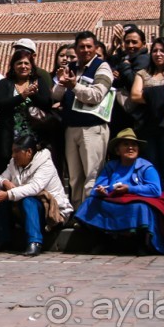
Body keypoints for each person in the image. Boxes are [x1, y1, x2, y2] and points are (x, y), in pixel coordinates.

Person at [74, 129, 164, 255]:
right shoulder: (111, 166)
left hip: (132, 202)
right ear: (117, 150)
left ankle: (140, 243)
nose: (130, 148)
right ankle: (103, 241)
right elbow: (98, 186)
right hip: (114, 200)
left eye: (134, 145)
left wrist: (130, 189)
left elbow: (155, 190)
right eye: (126, 144)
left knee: (140, 207)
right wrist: (102, 191)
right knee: (91, 202)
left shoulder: (146, 167)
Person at [52, 31, 114, 209]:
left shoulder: (103, 67)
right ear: (76, 49)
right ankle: (77, 211)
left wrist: (74, 85)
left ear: (95, 48)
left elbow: (96, 95)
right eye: (82, 47)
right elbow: (55, 96)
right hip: (71, 127)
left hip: (93, 128)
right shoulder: (71, 67)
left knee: (92, 175)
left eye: (89, 46)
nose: (85, 50)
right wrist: (61, 83)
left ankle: (89, 214)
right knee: (74, 177)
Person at [0, 135, 73, 257]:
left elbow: (34, 188)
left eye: (16, 152)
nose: (13, 155)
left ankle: (34, 242)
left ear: (28, 152)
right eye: (12, 151)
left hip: (52, 211)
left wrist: (8, 194)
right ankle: (4, 240)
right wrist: (5, 182)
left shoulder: (46, 164)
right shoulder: (14, 163)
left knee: (28, 200)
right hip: (25, 208)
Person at [130, 37, 164, 190]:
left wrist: (147, 92)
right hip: (147, 126)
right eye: (155, 50)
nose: (158, 54)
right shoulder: (142, 73)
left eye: (162, 51)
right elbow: (135, 96)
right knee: (150, 167)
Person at [0, 49, 53, 176]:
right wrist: (22, 96)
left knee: (33, 168)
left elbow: (47, 104)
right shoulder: (5, 83)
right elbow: (0, 104)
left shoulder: (39, 82)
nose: (23, 66)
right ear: (13, 66)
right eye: (19, 63)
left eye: (26, 63)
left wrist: (34, 95)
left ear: (31, 66)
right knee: (8, 167)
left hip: (34, 135)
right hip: (10, 134)